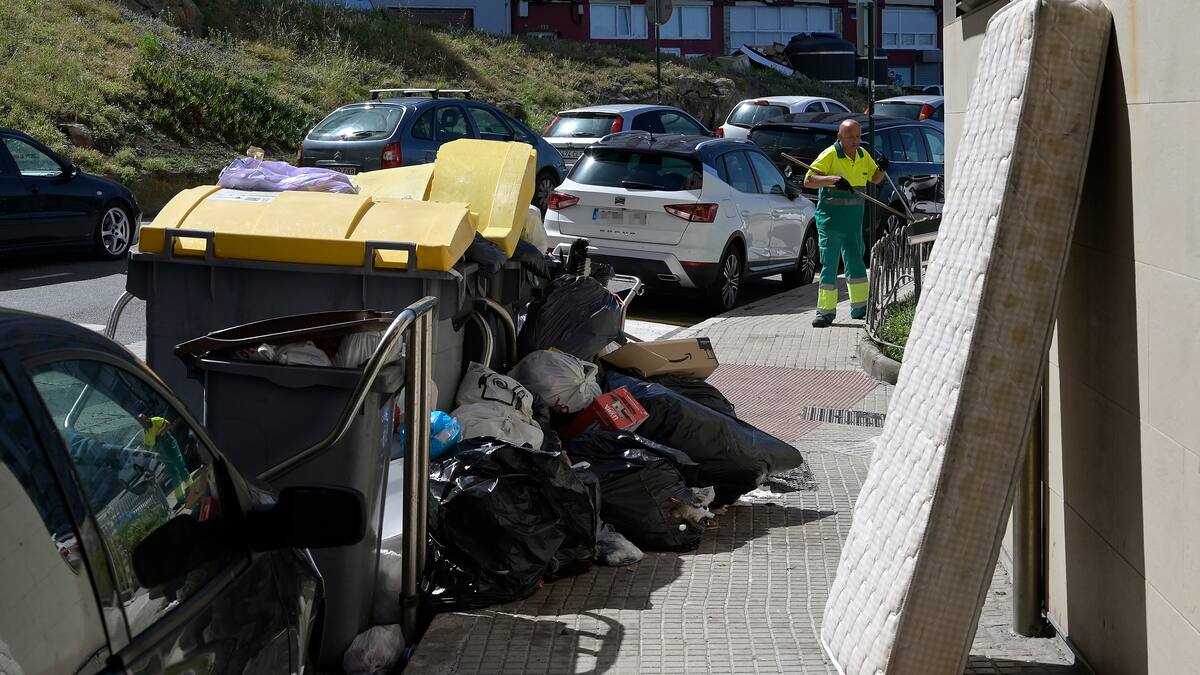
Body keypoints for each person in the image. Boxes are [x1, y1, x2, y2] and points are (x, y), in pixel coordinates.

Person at [803, 118, 889, 328]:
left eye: (858, 136)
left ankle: (861, 308)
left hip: (853, 223)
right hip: (831, 222)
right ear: (840, 137)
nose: (855, 141)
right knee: (830, 266)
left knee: (856, 263)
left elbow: (875, 178)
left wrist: (882, 169)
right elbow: (809, 180)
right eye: (850, 137)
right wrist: (833, 180)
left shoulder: (862, 155)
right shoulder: (830, 155)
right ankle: (825, 313)